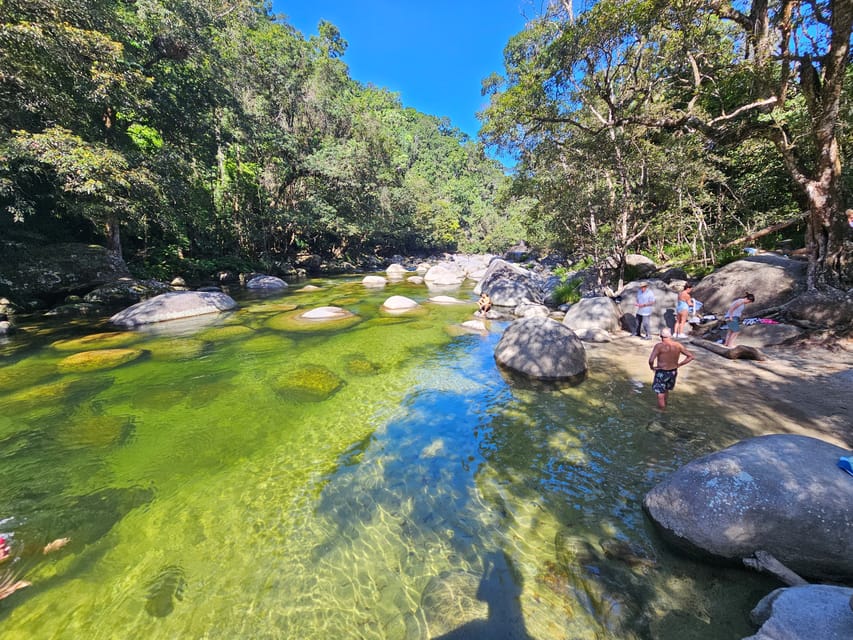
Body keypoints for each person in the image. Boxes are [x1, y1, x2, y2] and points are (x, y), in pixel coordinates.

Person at [648, 328, 695, 410]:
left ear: (660, 336)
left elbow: (651, 360)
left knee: (660, 393)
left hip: (662, 371)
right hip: (673, 371)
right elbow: (691, 356)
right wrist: (679, 364)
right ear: (670, 336)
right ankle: (665, 405)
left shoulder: (659, 346)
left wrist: (652, 367)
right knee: (666, 389)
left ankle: (661, 411)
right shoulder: (678, 345)